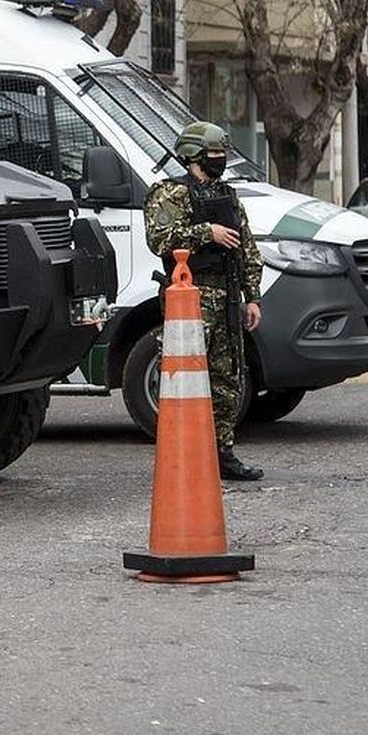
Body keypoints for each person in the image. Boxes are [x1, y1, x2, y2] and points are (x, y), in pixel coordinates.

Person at [143, 121, 265, 481]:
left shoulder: (228, 195)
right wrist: (204, 232)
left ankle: (222, 453)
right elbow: (158, 238)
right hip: (189, 301)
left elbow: (247, 249)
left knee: (228, 380)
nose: (220, 160)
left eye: (222, 154)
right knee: (181, 380)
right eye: (214, 154)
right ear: (194, 156)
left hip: (226, 298)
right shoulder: (169, 194)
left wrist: (252, 296)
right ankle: (181, 455)